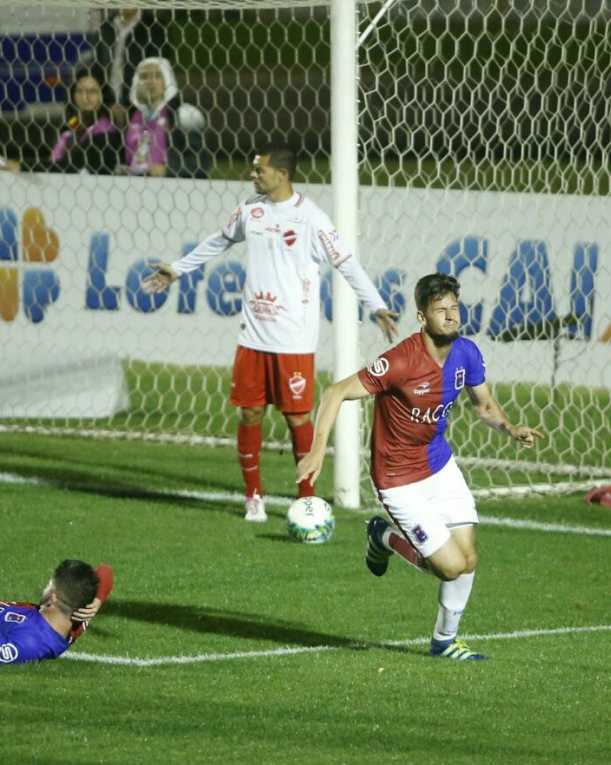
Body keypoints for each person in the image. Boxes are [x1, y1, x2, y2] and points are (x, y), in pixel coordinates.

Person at [143, 143, 399, 522]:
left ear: (282, 174)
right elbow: (219, 239)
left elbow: (345, 262)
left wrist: (374, 304)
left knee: (298, 419)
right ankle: (253, 498)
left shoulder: (311, 218)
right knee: (249, 415)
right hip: (253, 337)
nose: (252, 174)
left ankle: (305, 499)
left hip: (293, 340)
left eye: (259, 170)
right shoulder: (251, 209)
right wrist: (177, 269)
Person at [296, 273, 545, 660]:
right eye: (440, 309)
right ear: (421, 317)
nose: (450, 316)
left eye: (454, 307)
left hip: (439, 464)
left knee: (469, 560)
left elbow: (484, 406)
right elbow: (336, 391)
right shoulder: (401, 361)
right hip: (398, 478)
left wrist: (510, 427)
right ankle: (384, 537)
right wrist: (316, 450)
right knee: (449, 567)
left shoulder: (466, 353)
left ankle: (444, 641)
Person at [0, 70, 123, 176]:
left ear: (102, 95)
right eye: (79, 91)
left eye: (92, 91)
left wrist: (23, 166)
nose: (85, 97)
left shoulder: (105, 133)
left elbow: (70, 166)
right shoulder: (72, 127)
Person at [123, 57, 211, 179]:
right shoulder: (131, 118)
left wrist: (168, 169)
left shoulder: (185, 114)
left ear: (167, 81)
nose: (149, 81)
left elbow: (202, 160)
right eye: (144, 77)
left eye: (157, 76)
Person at [89, 8, 170, 125]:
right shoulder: (106, 27)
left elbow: (159, 72)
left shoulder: (154, 28)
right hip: (106, 105)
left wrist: (127, 105)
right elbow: (97, 68)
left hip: (140, 107)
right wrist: (109, 103)